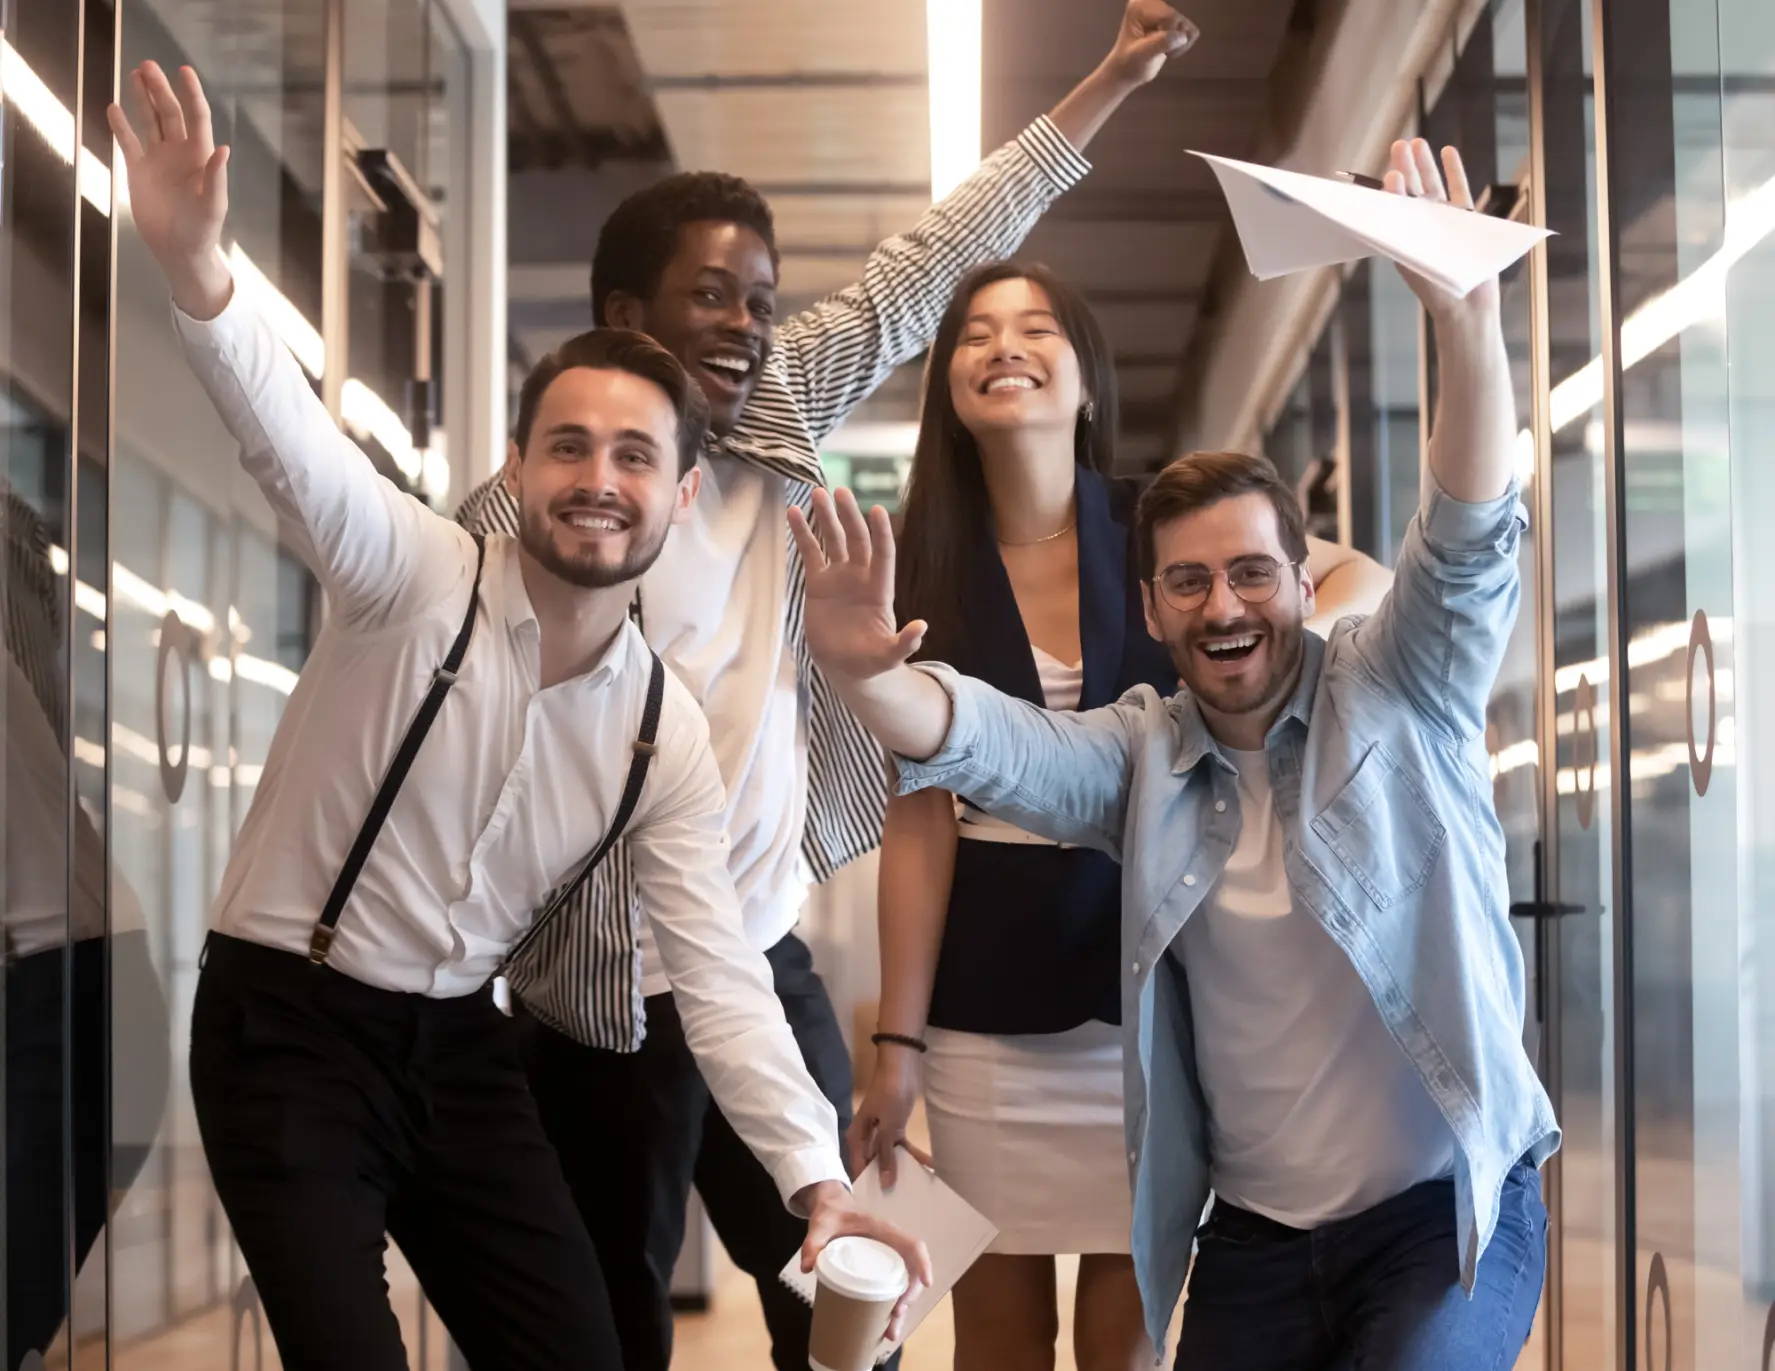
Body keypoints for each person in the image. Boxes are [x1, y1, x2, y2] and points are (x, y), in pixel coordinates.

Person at [107, 60, 928, 1371]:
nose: (598, 481)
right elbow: (287, 442)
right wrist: (198, 271)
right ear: (515, 468)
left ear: (679, 494)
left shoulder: (658, 734)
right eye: (568, 446)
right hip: (290, 1027)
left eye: (634, 457)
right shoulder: (409, 575)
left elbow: (717, 977)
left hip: (459, 1040)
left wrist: (810, 1175)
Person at [454, 5, 1199, 1368]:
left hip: (755, 952)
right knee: (600, 1324)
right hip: (590, 992)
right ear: (625, 315)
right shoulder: (533, 504)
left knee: (849, 1302)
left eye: (757, 293)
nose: (744, 324)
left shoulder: (778, 410)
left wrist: (1104, 80)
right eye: (708, 296)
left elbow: (937, 258)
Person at [790, 139, 1558, 1371]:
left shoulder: (1384, 683)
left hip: (1407, 1190)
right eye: (1187, 585)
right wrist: (866, 678)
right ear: (1150, 612)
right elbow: (991, 749)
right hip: (1234, 1201)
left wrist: (1463, 318)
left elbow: (1462, 542)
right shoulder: (1141, 753)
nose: (1220, 608)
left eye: (1253, 575)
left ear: (1302, 583)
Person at [850, 259, 1393, 1371]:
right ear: (946, 387)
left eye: (1036, 326)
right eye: (975, 333)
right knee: (998, 1337)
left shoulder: (1159, 523)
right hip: (984, 1006)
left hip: (1154, 979)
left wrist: (1262, 692)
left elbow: (1354, 579)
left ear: (1087, 379)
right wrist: (892, 1043)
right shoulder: (918, 560)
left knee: (1130, 1332)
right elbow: (917, 821)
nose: (1004, 344)